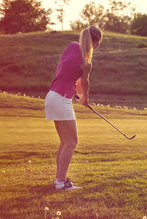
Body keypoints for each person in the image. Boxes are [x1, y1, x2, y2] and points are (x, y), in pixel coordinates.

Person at [45, 26, 102, 190]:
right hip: (61, 99)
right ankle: (61, 183)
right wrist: (85, 98)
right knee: (72, 142)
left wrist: (75, 94)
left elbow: (67, 75)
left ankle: (59, 180)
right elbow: (84, 83)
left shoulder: (71, 47)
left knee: (65, 142)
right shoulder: (86, 62)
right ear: (96, 42)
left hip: (52, 96)